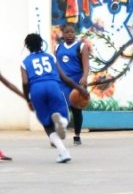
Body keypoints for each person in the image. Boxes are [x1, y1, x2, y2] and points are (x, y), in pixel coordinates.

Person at [21, 33, 89, 163]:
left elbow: (25, 82)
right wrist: (80, 89)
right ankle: (63, 122)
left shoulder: (25, 62)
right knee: (63, 113)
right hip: (53, 86)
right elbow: (64, 77)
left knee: (47, 125)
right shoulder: (50, 56)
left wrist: (28, 99)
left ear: (27, 46)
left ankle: (63, 152)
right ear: (42, 44)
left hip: (36, 89)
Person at [55, 23, 90, 145]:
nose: (70, 34)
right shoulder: (58, 48)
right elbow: (56, 65)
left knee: (76, 109)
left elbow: (86, 64)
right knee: (60, 108)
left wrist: (85, 77)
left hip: (76, 81)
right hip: (62, 82)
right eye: (67, 32)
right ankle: (58, 135)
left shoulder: (81, 46)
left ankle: (77, 135)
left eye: (72, 32)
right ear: (63, 34)